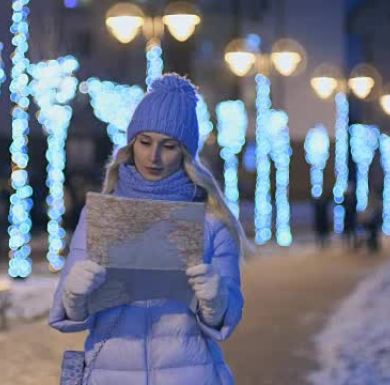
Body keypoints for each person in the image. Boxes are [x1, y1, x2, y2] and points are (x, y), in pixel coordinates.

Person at [49, 74, 247, 385]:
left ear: (185, 152)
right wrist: (74, 293)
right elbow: (67, 315)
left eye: (168, 146)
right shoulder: (102, 213)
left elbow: (226, 320)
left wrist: (216, 299)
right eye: (145, 142)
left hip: (190, 375)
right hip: (109, 375)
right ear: (131, 143)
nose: (153, 157)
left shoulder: (211, 222)